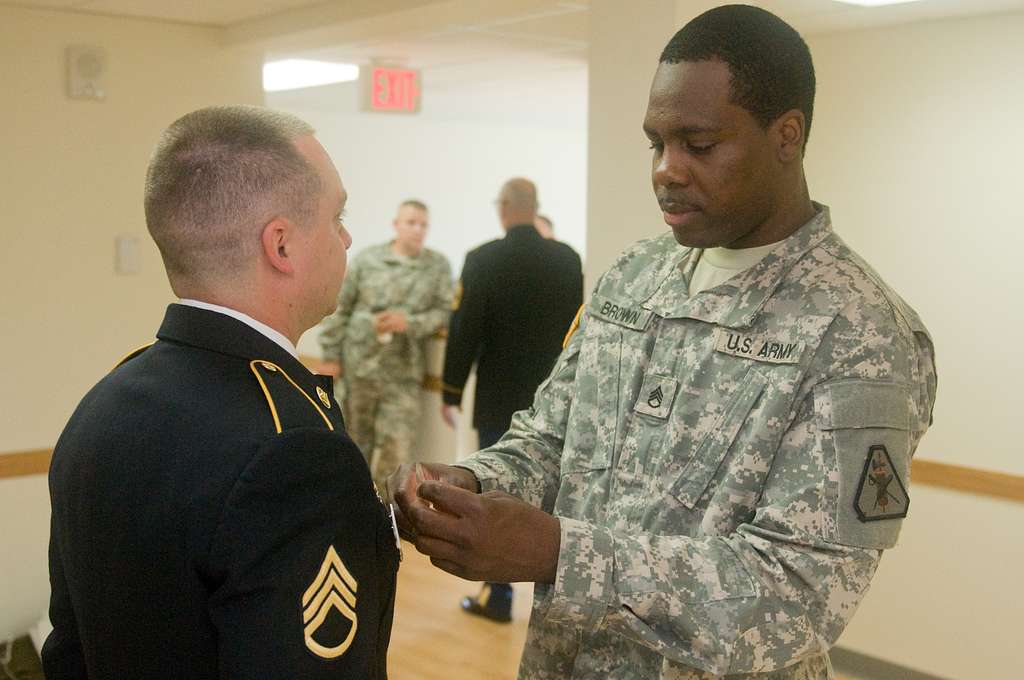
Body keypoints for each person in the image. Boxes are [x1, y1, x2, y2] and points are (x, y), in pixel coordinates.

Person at [390, 5, 937, 679]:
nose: (667, 170)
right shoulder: (637, 276)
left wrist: (562, 554)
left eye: (698, 145)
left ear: (786, 135)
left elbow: (797, 597)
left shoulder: (858, 332)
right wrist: (471, 483)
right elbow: (554, 440)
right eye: (657, 143)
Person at [44, 106, 400, 679]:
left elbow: (71, 651)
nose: (347, 236)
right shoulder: (294, 450)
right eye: (337, 215)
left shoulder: (108, 399)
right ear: (280, 246)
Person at [439, 177, 583, 622]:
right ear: (535, 207)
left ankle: (498, 595)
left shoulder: (483, 259)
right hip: (555, 398)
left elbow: (465, 331)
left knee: (497, 491)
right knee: (558, 494)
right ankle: (558, 595)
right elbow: (577, 334)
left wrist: (451, 389)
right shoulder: (566, 260)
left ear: (503, 208)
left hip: (500, 395)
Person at [319, 199, 453, 491]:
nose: (417, 230)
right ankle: (347, 519)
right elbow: (340, 309)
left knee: (395, 453)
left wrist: (410, 323)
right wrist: (330, 357)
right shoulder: (368, 260)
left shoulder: (436, 266)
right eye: (411, 222)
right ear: (396, 225)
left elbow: (444, 312)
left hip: (403, 375)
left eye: (423, 224)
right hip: (359, 370)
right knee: (352, 447)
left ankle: (385, 522)